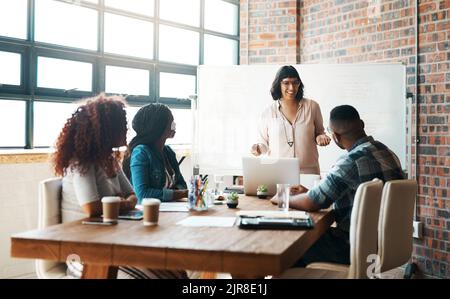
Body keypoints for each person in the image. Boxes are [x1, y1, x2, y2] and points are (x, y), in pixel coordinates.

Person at [54, 94, 187, 279]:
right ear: (106, 128)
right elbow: (92, 208)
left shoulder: (109, 159)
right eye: (121, 123)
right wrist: (124, 202)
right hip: (84, 251)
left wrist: (120, 203)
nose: (126, 128)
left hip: (112, 242)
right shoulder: (81, 161)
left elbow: (132, 196)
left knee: (176, 272)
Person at [271, 105, 405, 266]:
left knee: (293, 246)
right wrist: (311, 192)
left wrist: (282, 197)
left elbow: (313, 202)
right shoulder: (387, 152)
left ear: (334, 136)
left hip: (354, 246)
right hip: (387, 243)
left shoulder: (350, 161)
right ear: (362, 124)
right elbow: (348, 193)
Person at [251, 65, 331, 174]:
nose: (292, 88)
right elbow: (264, 145)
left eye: (295, 82)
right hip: (278, 174)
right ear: (278, 84)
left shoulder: (312, 107)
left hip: (308, 173)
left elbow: (319, 133)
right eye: (286, 83)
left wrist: (321, 137)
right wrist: (258, 149)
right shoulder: (267, 113)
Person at [123, 103, 188, 204]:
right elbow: (142, 195)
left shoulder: (168, 152)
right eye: (171, 122)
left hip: (171, 209)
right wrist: (180, 193)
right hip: (150, 212)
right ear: (158, 126)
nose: (174, 125)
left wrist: (177, 192)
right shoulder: (141, 153)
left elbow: (182, 185)